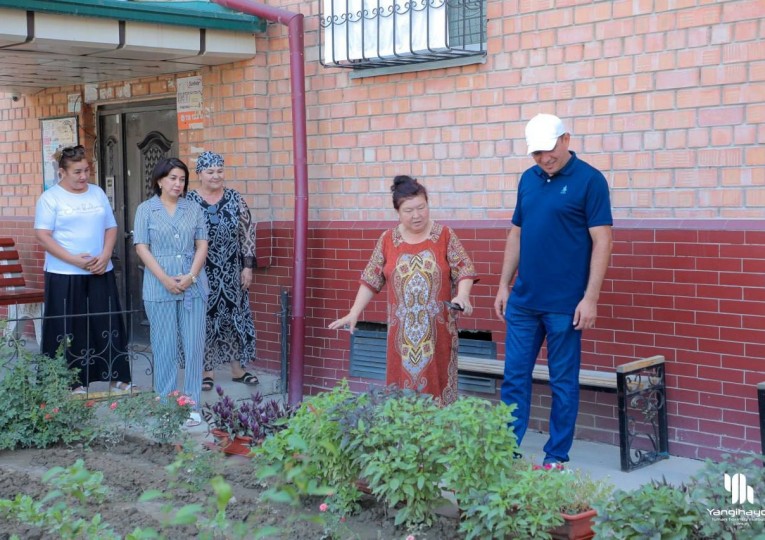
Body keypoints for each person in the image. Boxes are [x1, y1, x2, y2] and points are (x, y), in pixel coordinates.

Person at [493, 113, 613, 468]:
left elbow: (602, 240)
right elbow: (516, 233)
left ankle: (556, 457)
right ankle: (505, 451)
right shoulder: (528, 181)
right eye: (536, 153)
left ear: (565, 139)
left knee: (563, 382)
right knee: (514, 378)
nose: (544, 158)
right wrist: (503, 283)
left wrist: (590, 298)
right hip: (524, 302)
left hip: (566, 305)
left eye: (549, 150)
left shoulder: (590, 180)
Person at [329, 175, 477, 406]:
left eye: (421, 207)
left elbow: (464, 268)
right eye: (409, 210)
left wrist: (463, 294)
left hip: (438, 335)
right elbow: (371, 277)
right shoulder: (388, 239)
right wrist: (354, 312)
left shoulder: (445, 235)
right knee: (401, 397)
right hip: (402, 340)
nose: (417, 215)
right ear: (397, 212)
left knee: (439, 394)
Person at [35, 145, 133, 394]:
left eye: (86, 170)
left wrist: (106, 254)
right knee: (68, 327)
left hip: (100, 270)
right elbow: (43, 236)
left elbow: (111, 227)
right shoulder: (50, 198)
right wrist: (73, 260)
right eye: (77, 171)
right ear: (62, 172)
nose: (83, 176)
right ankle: (70, 382)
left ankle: (117, 376)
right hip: (64, 274)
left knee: (107, 321)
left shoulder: (97, 193)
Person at [133, 157, 208, 426]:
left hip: (193, 286)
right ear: (160, 181)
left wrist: (190, 276)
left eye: (182, 179)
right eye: (173, 178)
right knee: (164, 347)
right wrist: (165, 279)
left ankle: (191, 404)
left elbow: (202, 245)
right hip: (158, 286)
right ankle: (166, 402)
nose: (178, 184)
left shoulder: (193, 209)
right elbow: (142, 247)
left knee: (193, 345)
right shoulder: (146, 210)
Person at [187, 151, 259, 391]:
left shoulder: (234, 197)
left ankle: (238, 370)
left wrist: (247, 266)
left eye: (219, 171)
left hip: (232, 269)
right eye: (210, 172)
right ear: (199, 174)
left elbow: (247, 232)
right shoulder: (189, 201)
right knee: (205, 319)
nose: (216, 176)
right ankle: (207, 372)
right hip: (201, 270)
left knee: (234, 318)